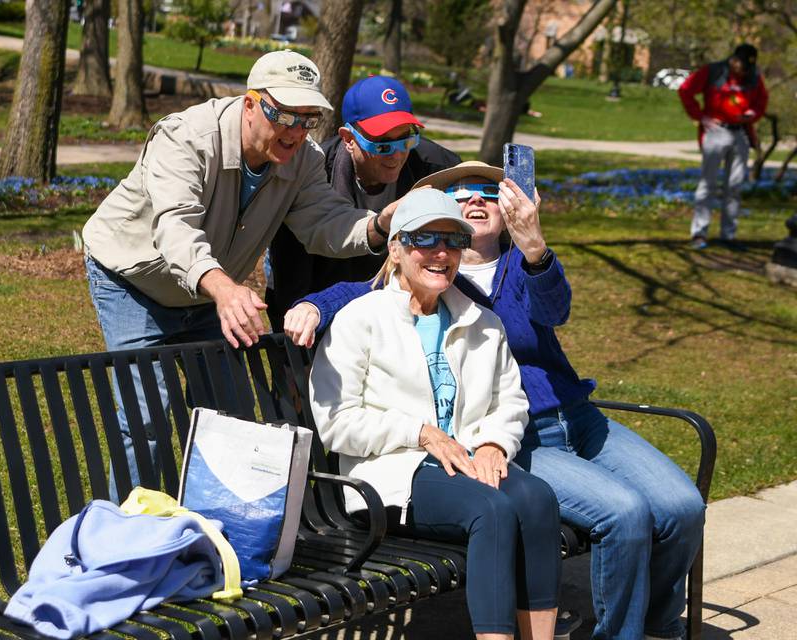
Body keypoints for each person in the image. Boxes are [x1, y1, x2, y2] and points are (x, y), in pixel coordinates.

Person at [287, 161, 706, 640]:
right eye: (459, 194)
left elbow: (555, 313)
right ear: (403, 245)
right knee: (617, 512)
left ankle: (655, 624)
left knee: (681, 506)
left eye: (489, 192)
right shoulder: (424, 285)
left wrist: (535, 247)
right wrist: (314, 304)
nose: (474, 202)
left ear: (508, 206)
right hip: (502, 441)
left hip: (565, 417)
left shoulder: (515, 270)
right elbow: (366, 296)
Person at [81, 50, 398, 498]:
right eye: (283, 115)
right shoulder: (187, 138)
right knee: (145, 419)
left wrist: (380, 224)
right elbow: (175, 227)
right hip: (135, 281)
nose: (294, 131)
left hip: (210, 293)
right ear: (251, 104)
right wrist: (225, 289)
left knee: (229, 413)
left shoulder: (301, 160)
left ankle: (221, 533)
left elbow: (323, 223)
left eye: (307, 119)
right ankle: (122, 543)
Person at [308, 188, 561, 640]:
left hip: (463, 461)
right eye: (425, 239)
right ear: (397, 248)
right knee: (494, 511)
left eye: (452, 240)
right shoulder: (360, 319)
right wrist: (421, 432)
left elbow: (510, 400)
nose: (441, 252)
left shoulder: (481, 322)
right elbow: (336, 422)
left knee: (538, 499)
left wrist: (492, 443)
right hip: (391, 474)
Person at [265, 75, 460, 331]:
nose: (397, 154)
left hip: (405, 306)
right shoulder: (313, 173)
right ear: (348, 138)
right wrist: (295, 344)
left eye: (406, 139)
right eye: (382, 144)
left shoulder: (438, 169)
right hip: (320, 298)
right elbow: (290, 272)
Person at [678, 43, 768, 250]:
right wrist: (701, 117)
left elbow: (761, 101)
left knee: (734, 186)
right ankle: (699, 233)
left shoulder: (754, 77)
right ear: (734, 60)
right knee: (707, 184)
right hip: (716, 132)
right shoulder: (713, 72)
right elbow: (685, 90)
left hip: (741, 133)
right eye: (742, 66)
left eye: (748, 68)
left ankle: (728, 235)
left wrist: (753, 114)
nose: (744, 72)